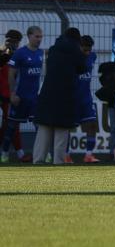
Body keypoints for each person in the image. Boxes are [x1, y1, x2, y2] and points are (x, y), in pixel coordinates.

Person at [32, 27, 87, 165]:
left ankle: (38, 159)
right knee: (61, 130)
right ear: (77, 39)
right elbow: (82, 68)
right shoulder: (75, 50)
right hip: (65, 94)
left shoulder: (53, 49)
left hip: (48, 93)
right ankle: (58, 161)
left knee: (44, 127)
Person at [4, 26, 43, 160]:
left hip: (34, 98)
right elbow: (11, 75)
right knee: (11, 126)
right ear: (29, 36)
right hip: (19, 97)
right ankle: (4, 154)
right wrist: (12, 94)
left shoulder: (41, 53)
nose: (39, 39)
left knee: (39, 126)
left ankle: (42, 154)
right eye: (37, 36)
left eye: (41, 37)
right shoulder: (20, 53)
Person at [0, 29, 27, 162]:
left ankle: (19, 152)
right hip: (4, 94)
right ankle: (19, 153)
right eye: (9, 41)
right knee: (10, 124)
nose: (12, 44)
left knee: (10, 124)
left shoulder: (20, 56)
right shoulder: (1, 53)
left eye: (14, 42)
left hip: (9, 95)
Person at [76, 35, 102, 163]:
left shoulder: (93, 56)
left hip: (86, 97)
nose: (87, 52)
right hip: (73, 98)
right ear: (79, 47)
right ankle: (65, 154)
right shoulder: (72, 57)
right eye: (85, 49)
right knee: (68, 127)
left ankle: (88, 154)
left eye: (89, 49)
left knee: (92, 125)